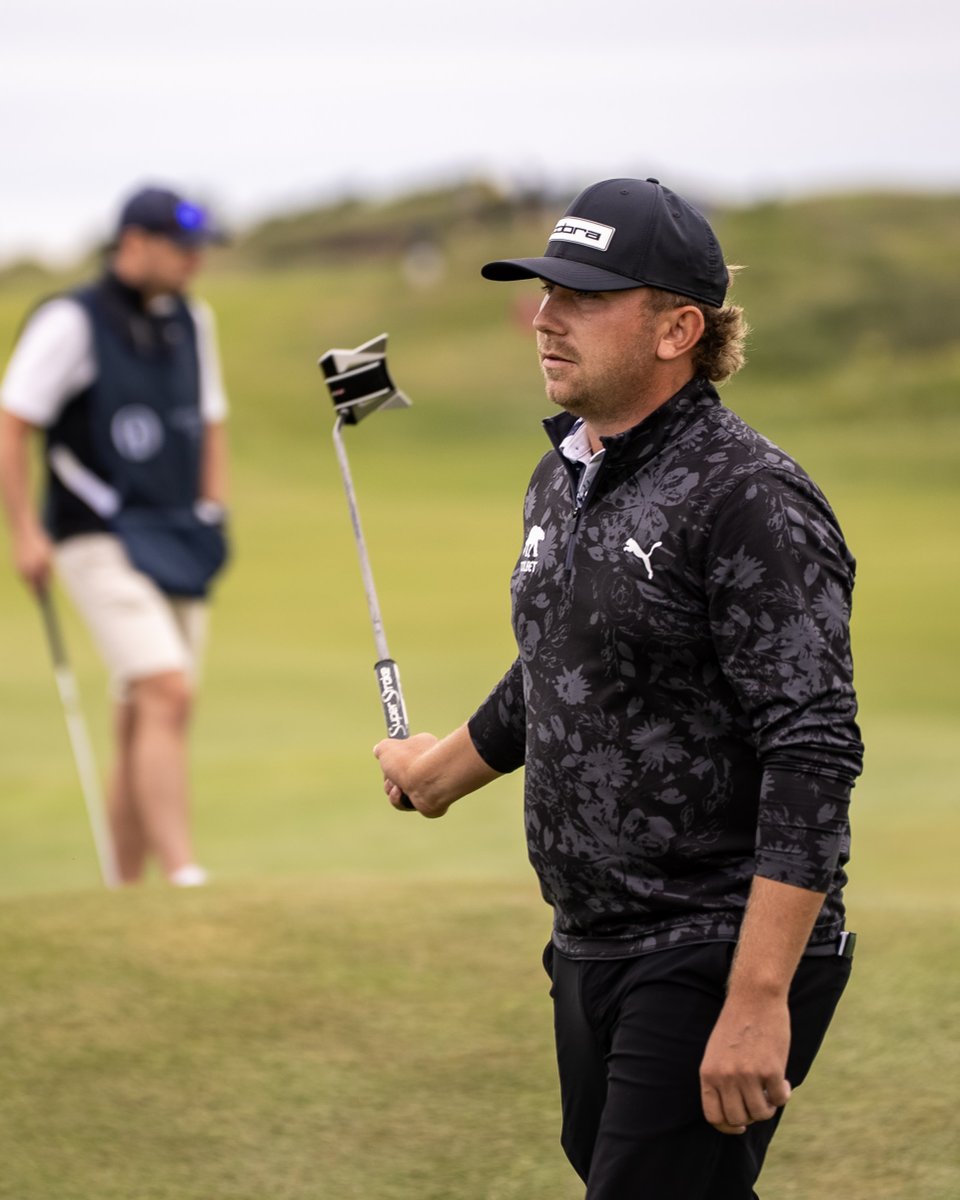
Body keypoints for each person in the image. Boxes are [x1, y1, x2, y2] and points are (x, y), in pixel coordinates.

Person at [373, 178, 863, 1198]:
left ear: (680, 327)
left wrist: (759, 993)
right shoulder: (562, 477)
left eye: (585, 297)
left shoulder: (750, 499)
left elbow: (812, 747)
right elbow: (563, 666)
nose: (546, 319)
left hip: (713, 936)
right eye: (546, 292)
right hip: (591, 940)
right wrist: (443, 771)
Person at [0, 184, 231, 888]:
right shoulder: (71, 320)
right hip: (94, 535)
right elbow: (14, 420)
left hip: (176, 535)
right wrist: (25, 532)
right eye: (179, 246)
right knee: (166, 689)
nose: (194, 259)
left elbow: (211, 420)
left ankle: (126, 891)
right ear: (133, 243)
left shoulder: (194, 319)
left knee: (144, 708)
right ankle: (183, 870)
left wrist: (211, 508)